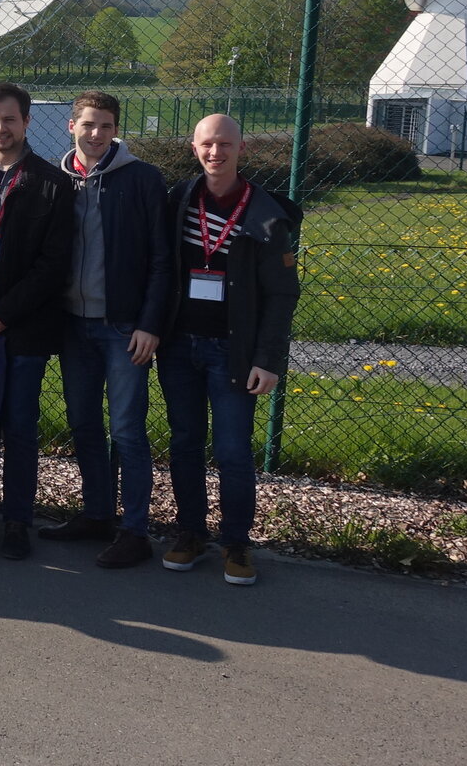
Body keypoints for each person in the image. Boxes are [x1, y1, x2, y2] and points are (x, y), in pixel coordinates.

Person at [157, 114, 299, 586]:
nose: (215, 152)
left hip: (233, 352)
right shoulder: (177, 200)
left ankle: (236, 541)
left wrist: (269, 359)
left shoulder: (266, 213)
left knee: (234, 451)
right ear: (193, 148)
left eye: (225, 144)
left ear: (242, 150)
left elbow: (282, 294)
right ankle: (191, 532)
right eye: (206, 144)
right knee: (184, 443)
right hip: (179, 346)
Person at [41, 91, 174, 569]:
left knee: (127, 431)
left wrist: (149, 324)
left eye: (105, 126)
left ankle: (134, 531)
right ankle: (96, 515)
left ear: (116, 128)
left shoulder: (142, 180)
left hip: (122, 329)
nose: (95, 134)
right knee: (83, 424)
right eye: (87, 125)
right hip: (74, 328)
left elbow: (163, 260)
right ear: (70, 125)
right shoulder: (57, 181)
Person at [0, 84, 75, 559]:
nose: (0, 128)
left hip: (20, 329)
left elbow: (53, 263)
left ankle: (18, 520)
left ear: (25, 122)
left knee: (19, 426)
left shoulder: (50, 182)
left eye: (9, 119)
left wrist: (2, 315)